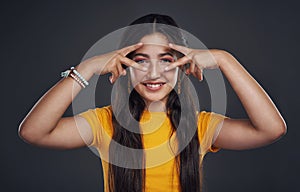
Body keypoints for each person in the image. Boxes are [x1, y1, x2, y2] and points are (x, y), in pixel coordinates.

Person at [18, 14, 287, 192]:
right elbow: (33, 132)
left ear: (184, 67)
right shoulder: (104, 123)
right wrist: (85, 68)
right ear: (124, 66)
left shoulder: (200, 126)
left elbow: (271, 129)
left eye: (167, 60)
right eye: (141, 60)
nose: (154, 73)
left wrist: (225, 59)